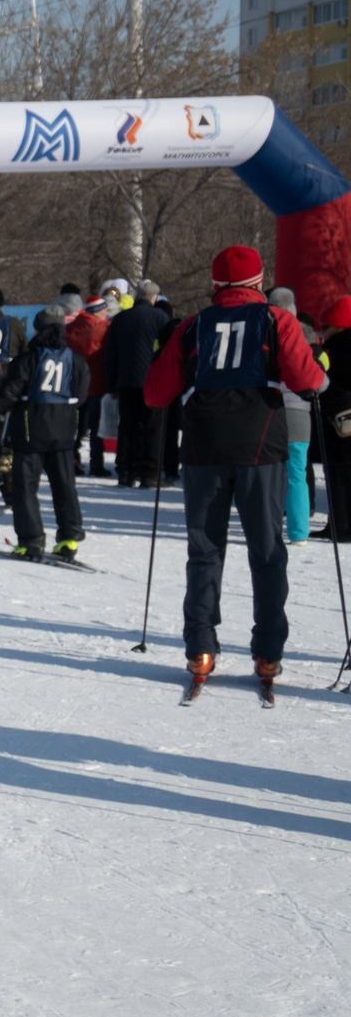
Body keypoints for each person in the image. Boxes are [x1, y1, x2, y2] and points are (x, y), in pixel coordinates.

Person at [143, 245, 328, 695]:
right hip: (261, 444)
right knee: (266, 551)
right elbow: (307, 380)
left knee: (204, 550)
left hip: (204, 444)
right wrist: (320, 378)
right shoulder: (276, 319)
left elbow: (155, 392)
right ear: (259, 282)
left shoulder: (193, 325)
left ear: (215, 286)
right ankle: (267, 652)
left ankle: (200, 647)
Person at [0, 304, 88, 561]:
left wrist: (4, 402)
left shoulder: (28, 358)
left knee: (26, 487)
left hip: (29, 432)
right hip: (63, 432)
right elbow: (81, 396)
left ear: (38, 329)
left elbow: (7, 395)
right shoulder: (76, 359)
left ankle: (31, 541)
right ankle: (70, 538)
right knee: (64, 486)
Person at [102, 278, 173, 487]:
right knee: (152, 428)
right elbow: (167, 351)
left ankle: (126, 472)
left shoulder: (121, 319)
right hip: (151, 380)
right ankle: (149, 473)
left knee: (127, 426)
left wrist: (112, 384)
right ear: (155, 297)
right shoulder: (161, 317)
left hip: (125, 380)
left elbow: (110, 354)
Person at [273, 288, 317, 544]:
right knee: (297, 472)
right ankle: (299, 531)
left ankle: (269, 525)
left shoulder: (264, 330)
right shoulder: (302, 333)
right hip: (300, 410)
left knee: (270, 472)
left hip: (272, 410)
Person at [64, 286, 115, 477]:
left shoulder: (69, 329)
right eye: (106, 310)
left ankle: (72, 459)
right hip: (96, 384)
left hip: (73, 385)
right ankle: (96, 464)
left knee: (73, 426)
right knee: (95, 428)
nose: (108, 313)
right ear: (98, 311)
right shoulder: (105, 329)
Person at [320, 296, 351, 541]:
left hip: (340, 418)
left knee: (338, 474)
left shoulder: (333, 350)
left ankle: (340, 527)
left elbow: (326, 383)